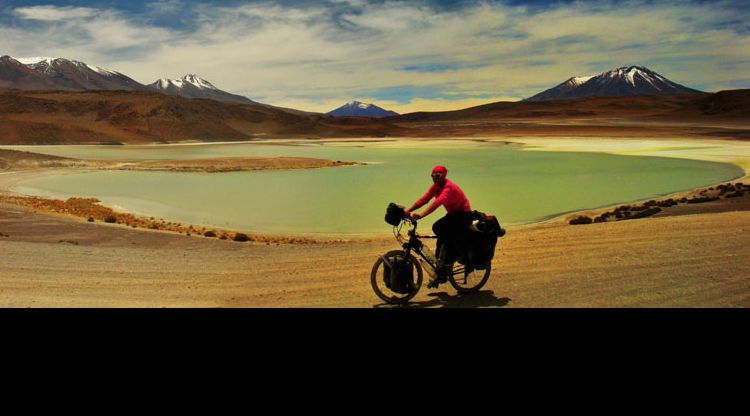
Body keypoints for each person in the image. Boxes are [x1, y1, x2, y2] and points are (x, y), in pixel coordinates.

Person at [405, 165, 472, 288]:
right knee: (440, 236)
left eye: (438, 176)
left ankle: (452, 256)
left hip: (464, 215)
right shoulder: (436, 186)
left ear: (444, 176)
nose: (435, 178)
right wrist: (408, 211)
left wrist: (421, 215)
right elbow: (424, 199)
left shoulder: (448, 188)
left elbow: (436, 203)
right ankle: (440, 270)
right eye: (433, 176)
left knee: (438, 227)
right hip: (453, 214)